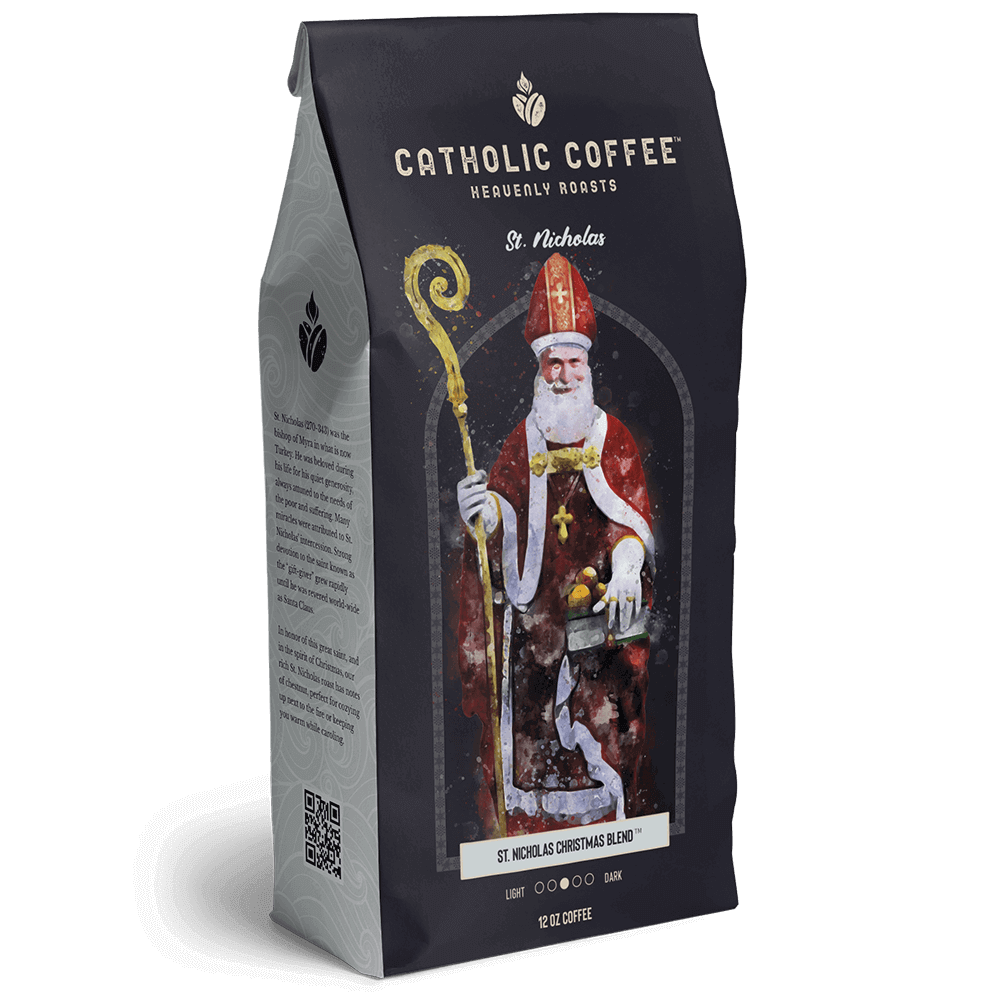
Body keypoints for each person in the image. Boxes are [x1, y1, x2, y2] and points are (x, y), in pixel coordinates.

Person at [456, 252, 656, 837]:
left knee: (604, 724)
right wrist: (481, 510)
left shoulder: (613, 438)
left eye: (573, 362)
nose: (564, 375)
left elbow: (634, 523)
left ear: (587, 365)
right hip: (538, 625)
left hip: (599, 616)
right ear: (539, 368)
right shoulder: (522, 440)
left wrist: (627, 567)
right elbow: (502, 510)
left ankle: (611, 834)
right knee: (539, 747)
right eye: (553, 363)